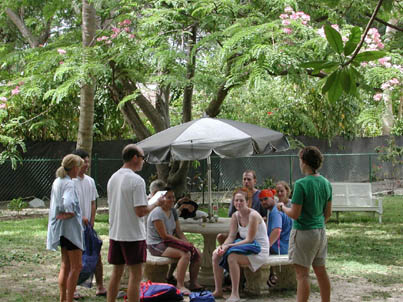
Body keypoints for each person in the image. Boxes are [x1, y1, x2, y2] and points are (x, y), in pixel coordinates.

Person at [107, 144, 163, 302]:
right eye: (143, 158)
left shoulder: (114, 178)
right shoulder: (137, 180)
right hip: (132, 235)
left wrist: (146, 202)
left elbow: (124, 203)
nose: (144, 161)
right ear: (134, 158)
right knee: (136, 276)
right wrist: (156, 203)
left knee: (116, 273)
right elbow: (140, 211)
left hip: (116, 233)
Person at [277, 146, 332, 302]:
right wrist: (317, 223)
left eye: (300, 160)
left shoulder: (301, 184)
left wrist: (282, 208)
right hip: (320, 232)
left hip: (303, 233)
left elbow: (295, 214)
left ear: (304, 162)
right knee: (321, 272)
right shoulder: (326, 183)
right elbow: (328, 214)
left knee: (302, 275)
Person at [212, 189, 270, 302]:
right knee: (216, 254)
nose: (238, 203)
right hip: (246, 247)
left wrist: (229, 247)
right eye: (236, 200)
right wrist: (223, 246)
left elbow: (249, 239)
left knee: (232, 257)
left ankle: (235, 294)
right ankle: (218, 290)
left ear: (248, 202)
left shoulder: (253, 215)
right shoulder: (235, 216)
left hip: (258, 249)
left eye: (241, 201)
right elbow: (231, 236)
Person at [147, 188, 203, 295]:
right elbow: (164, 236)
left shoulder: (173, 211)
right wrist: (184, 244)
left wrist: (188, 243)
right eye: (169, 197)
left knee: (197, 251)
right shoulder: (157, 213)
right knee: (185, 254)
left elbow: (179, 232)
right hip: (156, 244)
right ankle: (180, 285)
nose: (172, 200)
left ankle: (193, 283)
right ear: (161, 198)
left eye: (173, 197)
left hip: (168, 242)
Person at [47, 154, 84, 302]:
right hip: (70, 232)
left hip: (61, 231)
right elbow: (68, 203)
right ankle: (69, 299)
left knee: (65, 265)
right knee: (76, 266)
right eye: (79, 167)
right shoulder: (69, 183)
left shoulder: (58, 181)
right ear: (74, 168)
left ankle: (63, 298)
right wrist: (69, 213)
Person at [72, 149, 107, 297]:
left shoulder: (90, 181)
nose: (87, 164)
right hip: (73, 228)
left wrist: (91, 221)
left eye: (88, 161)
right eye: (84, 161)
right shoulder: (70, 182)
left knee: (96, 255)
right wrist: (80, 219)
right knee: (75, 260)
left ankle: (100, 286)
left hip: (88, 227)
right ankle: (73, 289)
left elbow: (93, 203)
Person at [217, 170, 266, 245]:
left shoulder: (261, 196)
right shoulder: (238, 195)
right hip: (238, 229)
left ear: (255, 181)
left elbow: (267, 217)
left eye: (249, 179)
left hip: (255, 231)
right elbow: (231, 215)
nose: (246, 181)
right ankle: (224, 253)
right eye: (244, 179)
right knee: (221, 236)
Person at [259, 188, 293, 287]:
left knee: (253, 249)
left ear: (273, 198)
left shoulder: (275, 212)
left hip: (281, 248)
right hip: (286, 245)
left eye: (265, 199)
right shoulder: (273, 210)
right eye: (261, 200)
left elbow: (277, 231)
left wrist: (266, 246)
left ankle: (257, 282)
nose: (263, 202)